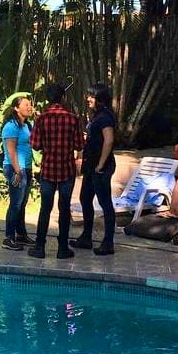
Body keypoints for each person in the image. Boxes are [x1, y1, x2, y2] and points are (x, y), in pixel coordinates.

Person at [28, 83, 84, 259]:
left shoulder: (41, 119)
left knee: (45, 208)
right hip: (67, 170)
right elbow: (79, 145)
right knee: (64, 209)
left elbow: (35, 145)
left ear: (48, 99)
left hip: (48, 170)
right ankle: (62, 248)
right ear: (63, 98)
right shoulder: (73, 119)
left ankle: (39, 247)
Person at [70, 83, 117, 256]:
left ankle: (108, 242)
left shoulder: (105, 117)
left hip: (100, 167)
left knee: (105, 203)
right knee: (85, 198)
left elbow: (109, 140)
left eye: (92, 96)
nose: (88, 99)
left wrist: (101, 164)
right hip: (92, 166)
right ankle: (86, 237)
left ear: (100, 99)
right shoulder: (96, 116)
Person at [0, 95, 35, 251]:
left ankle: (21, 234)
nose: (30, 107)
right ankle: (9, 237)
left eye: (30, 105)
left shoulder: (26, 125)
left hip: (25, 168)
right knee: (15, 204)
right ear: (16, 108)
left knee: (22, 203)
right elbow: (11, 151)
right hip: (15, 168)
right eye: (26, 105)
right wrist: (18, 171)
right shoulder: (11, 126)